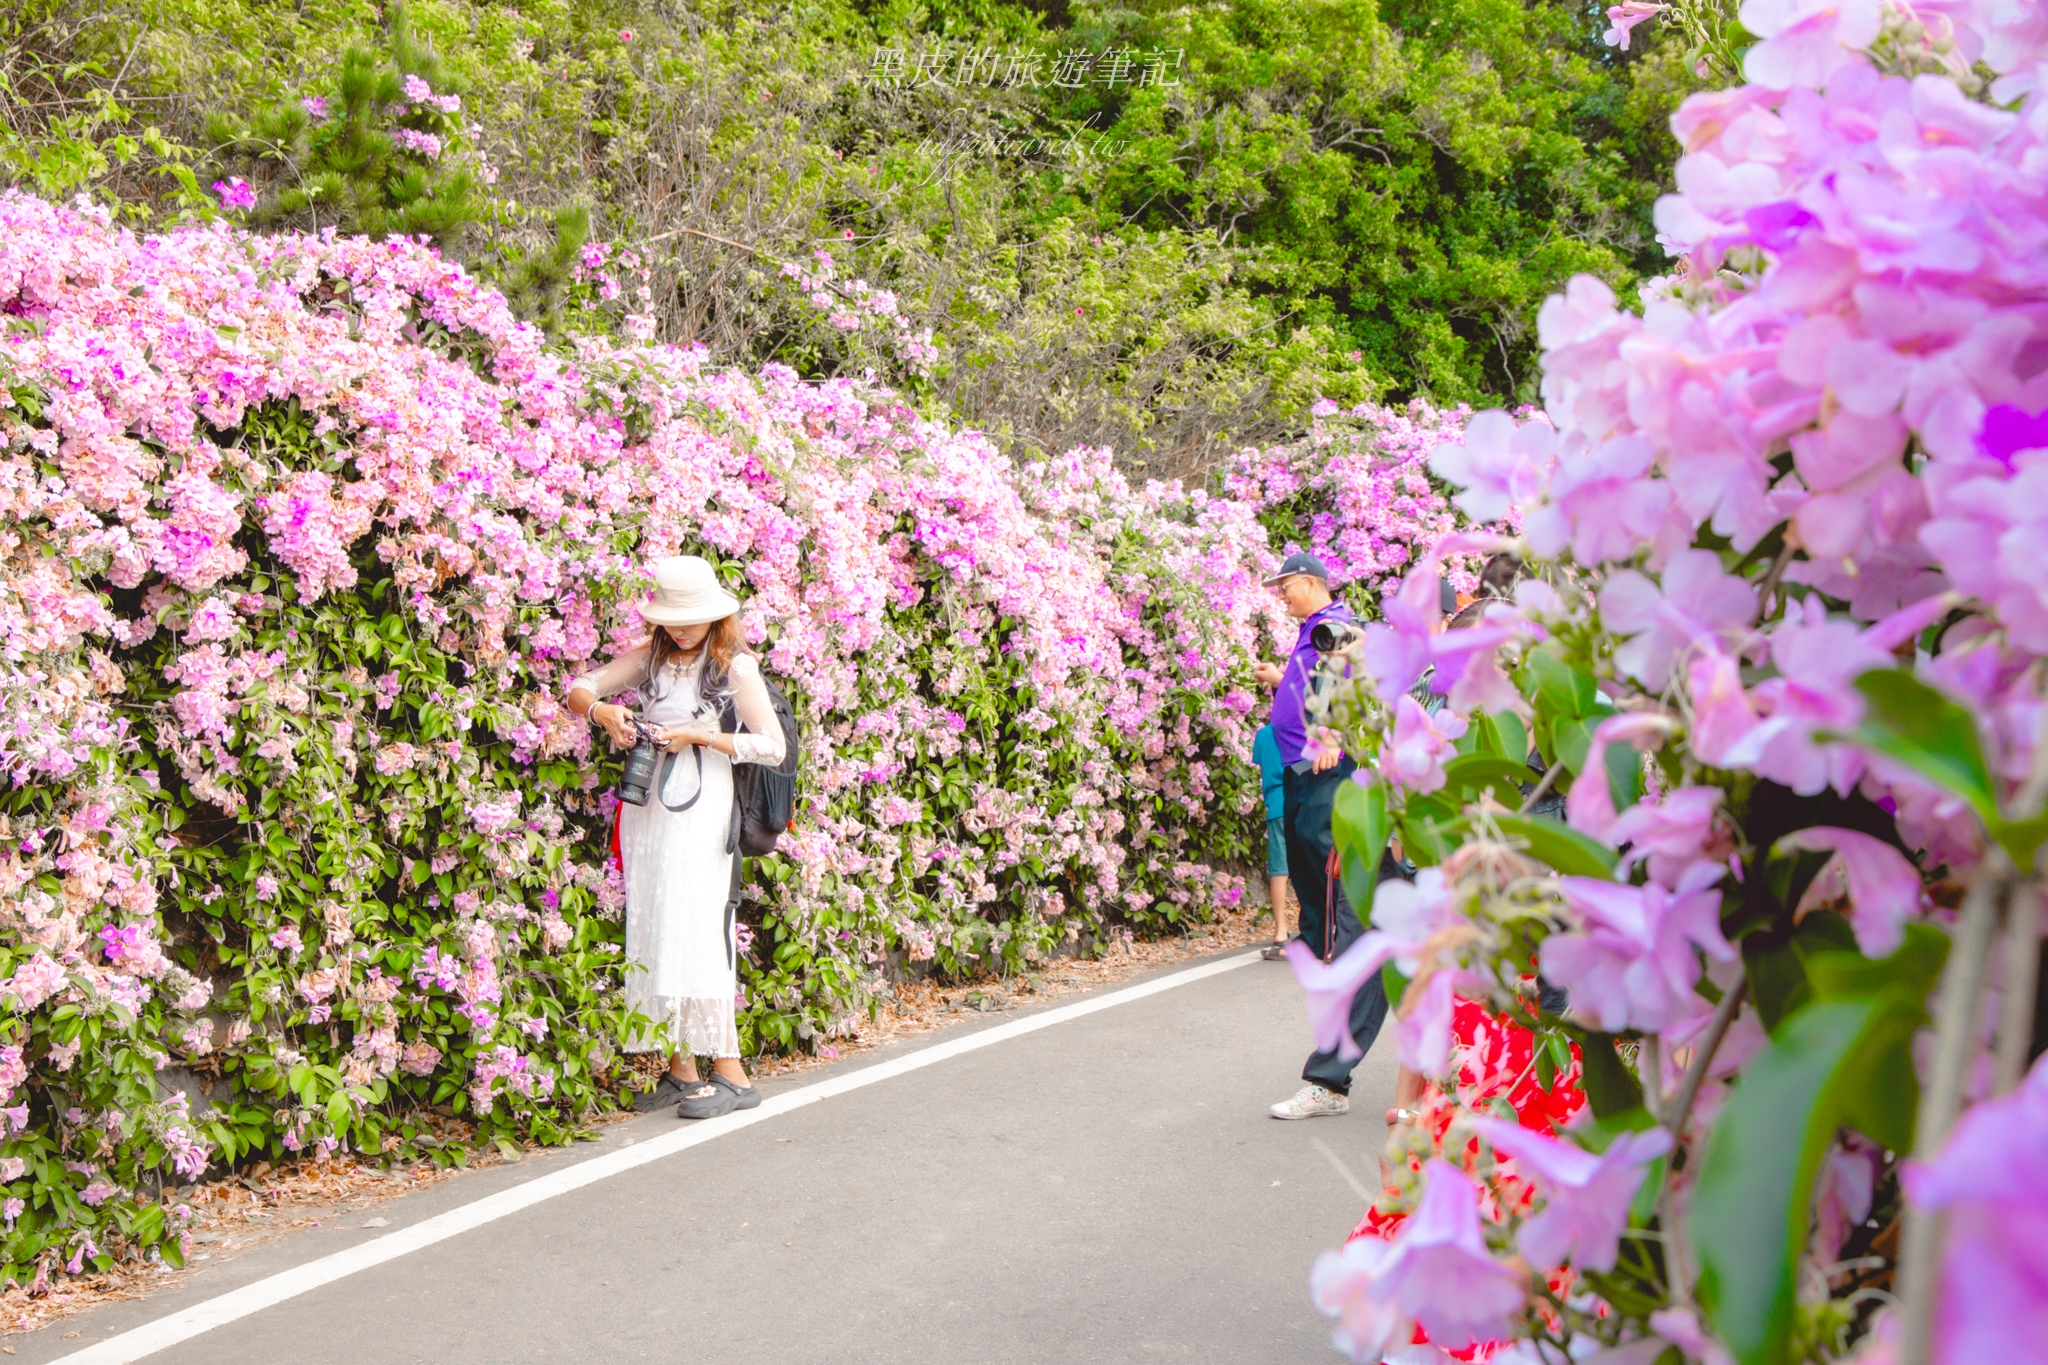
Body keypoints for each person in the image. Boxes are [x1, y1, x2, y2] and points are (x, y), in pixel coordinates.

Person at [564, 555, 788, 1120]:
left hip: (702, 804)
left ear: (716, 617)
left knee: (697, 923)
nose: (681, 628)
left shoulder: (735, 668)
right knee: (661, 920)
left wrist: (698, 736)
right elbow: (581, 687)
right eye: (672, 617)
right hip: (650, 809)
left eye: (691, 618)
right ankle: (682, 1069)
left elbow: (773, 747)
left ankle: (731, 1070)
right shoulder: (653, 659)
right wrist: (604, 712)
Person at [1252, 552, 1412, 1120]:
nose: (1281, 594)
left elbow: (1358, 683)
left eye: (1287, 585)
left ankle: (1335, 1079)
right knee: (1352, 935)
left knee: (1367, 939)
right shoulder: (1311, 636)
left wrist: (1332, 734)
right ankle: (1335, 1077)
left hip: (1357, 800)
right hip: (1320, 789)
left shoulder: (1341, 629)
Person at [1251, 722, 1293, 960]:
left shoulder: (1264, 734)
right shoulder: (1298, 730)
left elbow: (1263, 768)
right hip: (1298, 801)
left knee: (1279, 869)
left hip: (1275, 805)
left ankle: (1280, 932)